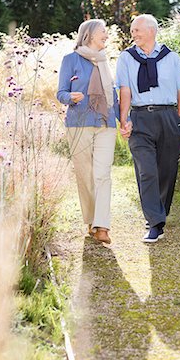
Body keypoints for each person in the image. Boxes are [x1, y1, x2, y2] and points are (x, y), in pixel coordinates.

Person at [116, 14, 180, 243]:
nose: (133, 34)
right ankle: (154, 223)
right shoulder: (126, 58)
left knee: (167, 171)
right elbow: (125, 91)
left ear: (152, 31)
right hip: (140, 119)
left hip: (169, 117)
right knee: (146, 170)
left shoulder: (172, 57)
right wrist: (124, 120)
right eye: (132, 31)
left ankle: (160, 213)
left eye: (137, 30)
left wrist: (178, 118)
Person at [57, 19, 119, 244]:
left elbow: (113, 96)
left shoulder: (105, 61)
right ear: (90, 34)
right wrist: (70, 97)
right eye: (103, 31)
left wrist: (126, 120)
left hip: (105, 123)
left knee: (103, 174)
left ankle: (102, 226)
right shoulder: (71, 60)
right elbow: (61, 93)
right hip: (78, 123)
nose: (106, 35)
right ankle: (91, 220)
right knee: (85, 176)